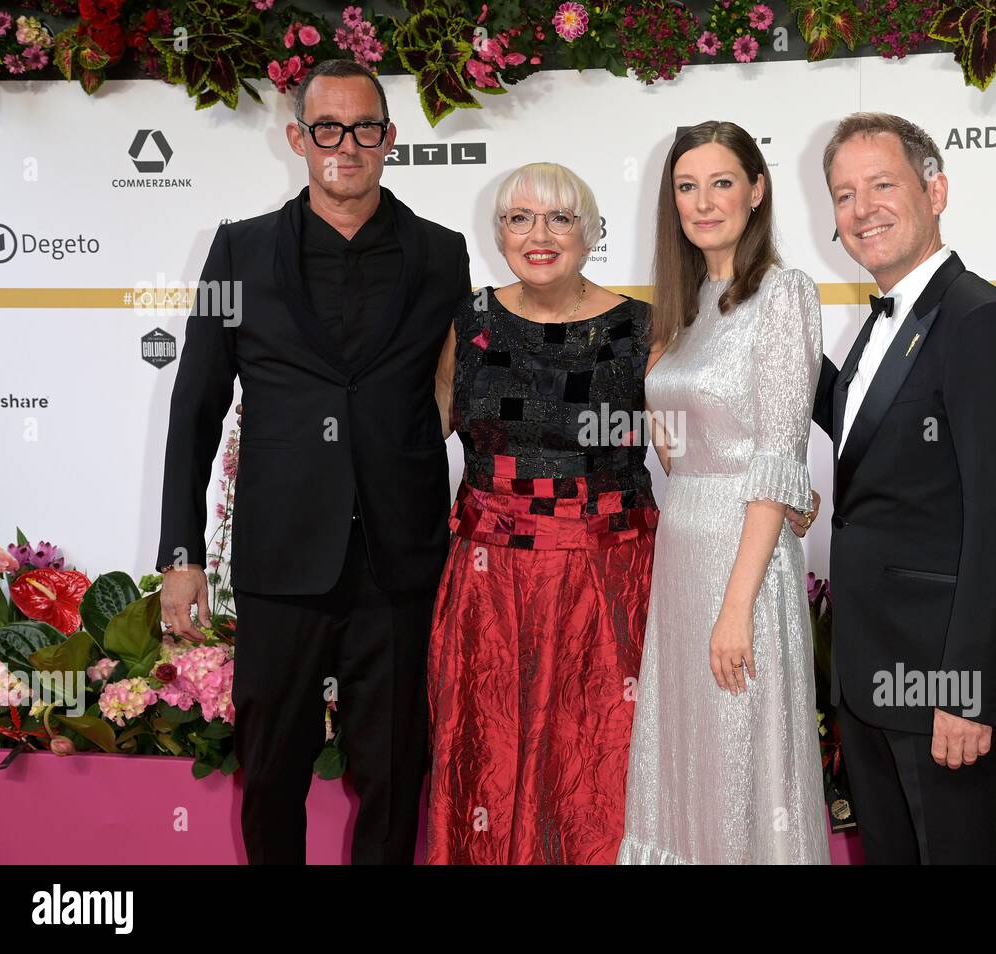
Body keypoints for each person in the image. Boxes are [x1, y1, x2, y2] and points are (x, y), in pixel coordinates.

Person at [156, 60, 469, 864]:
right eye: (326, 128)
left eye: (365, 129)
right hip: (282, 557)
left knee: (395, 778)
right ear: (298, 138)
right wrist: (180, 557)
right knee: (270, 774)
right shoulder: (238, 251)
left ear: (389, 139)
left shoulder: (442, 255)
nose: (346, 145)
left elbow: (461, 392)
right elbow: (194, 409)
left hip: (398, 563)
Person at [812, 112, 996, 864]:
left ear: (937, 190)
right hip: (871, 674)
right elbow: (867, 446)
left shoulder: (984, 322)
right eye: (844, 194)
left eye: (882, 185)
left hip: (943, 682)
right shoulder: (880, 324)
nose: (863, 210)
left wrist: (967, 693)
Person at [425, 163, 657, 864]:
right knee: (487, 759)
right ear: (498, 233)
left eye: (560, 218)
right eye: (519, 218)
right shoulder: (470, 322)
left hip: (608, 585)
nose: (539, 235)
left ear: (590, 234)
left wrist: (778, 486)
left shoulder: (640, 328)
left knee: (599, 769)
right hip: (490, 585)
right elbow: (419, 430)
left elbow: (693, 443)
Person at [618, 122, 830, 864]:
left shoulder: (783, 295)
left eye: (721, 182)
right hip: (684, 553)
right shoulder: (681, 306)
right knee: (690, 758)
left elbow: (776, 460)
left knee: (745, 758)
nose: (703, 202)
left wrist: (737, 608)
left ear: (757, 190)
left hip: (744, 567)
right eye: (686, 186)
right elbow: (679, 452)